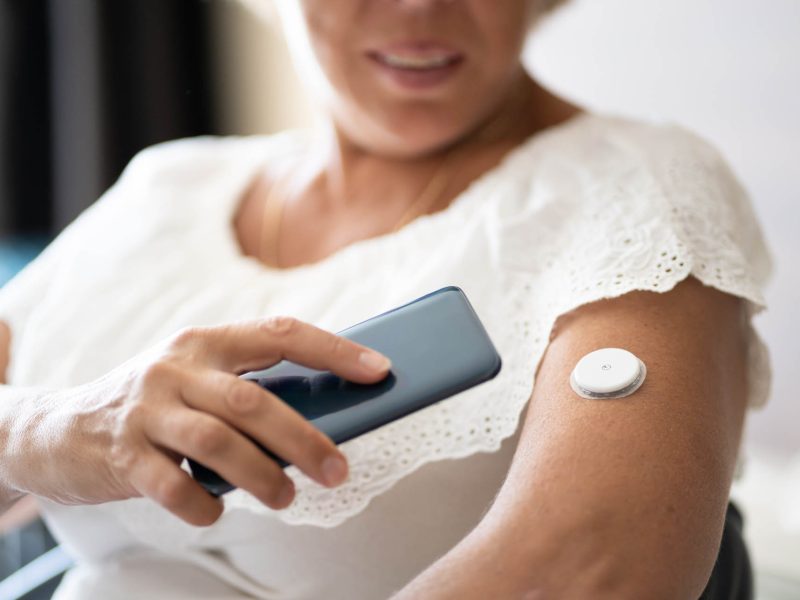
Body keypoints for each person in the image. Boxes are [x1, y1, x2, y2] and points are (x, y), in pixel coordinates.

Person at [0, 0, 772, 598]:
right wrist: (46, 431)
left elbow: (590, 569)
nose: (418, 7)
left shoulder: (636, 190)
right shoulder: (167, 190)